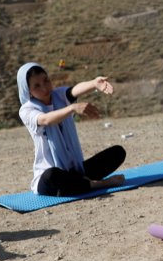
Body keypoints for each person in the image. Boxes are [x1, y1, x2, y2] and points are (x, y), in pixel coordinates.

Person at [17, 63, 126, 196]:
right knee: (51, 175)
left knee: (117, 152)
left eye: (46, 80)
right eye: (37, 86)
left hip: (76, 170)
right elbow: (46, 119)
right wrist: (71, 108)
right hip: (51, 176)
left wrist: (94, 83)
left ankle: (81, 182)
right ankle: (97, 184)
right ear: (28, 91)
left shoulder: (59, 95)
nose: (45, 87)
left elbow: (74, 91)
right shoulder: (27, 110)